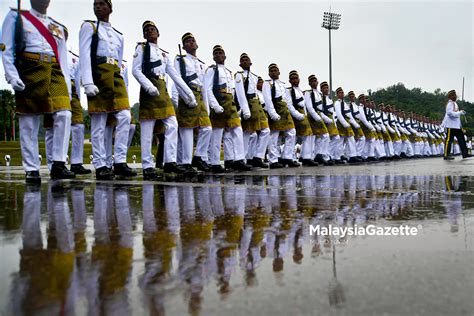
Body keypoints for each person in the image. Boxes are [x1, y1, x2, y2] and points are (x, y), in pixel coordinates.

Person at [2, 0, 74, 183]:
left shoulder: (56, 26)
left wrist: (67, 87)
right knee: (29, 120)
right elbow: (6, 48)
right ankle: (32, 168)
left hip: (55, 70)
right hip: (29, 67)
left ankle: (58, 163)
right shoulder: (16, 16)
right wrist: (11, 75)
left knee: (64, 114)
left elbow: (63, 59)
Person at [132, 20, 198, 179]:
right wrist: (148, 86)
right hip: (150, 90)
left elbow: (175, 76)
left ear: (158, 33)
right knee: (148, 130)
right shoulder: (141, 48)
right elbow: (136, 70)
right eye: (146, 30)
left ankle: (170, 162)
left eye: (152, 29)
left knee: (172, 124)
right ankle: (147, 165)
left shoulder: (164, 54)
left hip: (162, 91)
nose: (149, 31)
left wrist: (188, 93)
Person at [79, 0, 136, 180]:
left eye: (102, 4)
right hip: (99, 75)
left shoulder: (118, 35)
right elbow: (84, 54)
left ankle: (119, 161)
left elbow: (118, 61)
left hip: (115, 77)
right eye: (95, 4)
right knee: (99, 124)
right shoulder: (89, 27)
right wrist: (87, 81)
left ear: (110, 8)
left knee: (125, 116)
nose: (98, 7)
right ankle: (101, 164)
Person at [205, 45, 252, 172]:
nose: (219, 55)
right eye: (216, 53)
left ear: (225, 56)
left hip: (230, 104)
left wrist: (240, 107)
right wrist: (215, 105)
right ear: (213, 57)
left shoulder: (229, 72)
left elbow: (235, 91)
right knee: (217, 133)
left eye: (221, 53)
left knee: (237, 130)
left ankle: (239, 159)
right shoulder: (212, 70)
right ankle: (215, 162)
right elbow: (207, 89)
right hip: (219, 102)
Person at [174, 32, 213, 172]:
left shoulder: (201, 64)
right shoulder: (180, 60)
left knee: (207, 128)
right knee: (187, 130)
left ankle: (199, 156)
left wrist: (207, 107)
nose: (191, 42)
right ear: (183, 47)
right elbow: (177, 80)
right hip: (187, 95)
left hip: (200, 96)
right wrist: (186, 98)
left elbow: (204, 87)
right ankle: (186, 162)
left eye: (193, 40)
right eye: (187, 41)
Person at [234, 53, 270, 168]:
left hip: (257, 105)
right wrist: (244, 108)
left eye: (246, 59)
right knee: (247, 132)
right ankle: (242, 158)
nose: (244, 61)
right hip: (248, 104)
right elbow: (240, 92)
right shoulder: (239, 75)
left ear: (251, 62)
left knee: (265, 131)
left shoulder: (255, 76)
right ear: (240, 64)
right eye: (242, 60)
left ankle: (258, 157)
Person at [262, 63, 299, 168]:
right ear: (269, 73)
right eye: (271, 71)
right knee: (274, 135)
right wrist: (272, 113)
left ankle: (287, 157)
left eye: (275, 70)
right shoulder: (267, 84)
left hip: (285, 110)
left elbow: (287, 100)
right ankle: (273, 160)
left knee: (292, 132)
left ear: (279, 72)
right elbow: (268, 99)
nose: (273, 72)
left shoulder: (283, 85)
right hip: (276, 109)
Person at [286, 70, 317, 166]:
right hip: (295, 115)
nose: (295, 80)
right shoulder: (289, 90)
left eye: (296, 78)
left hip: (303, 115)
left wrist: (305, 115)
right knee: (293, 136)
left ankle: (305, 157)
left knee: (308, 135)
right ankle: (289, 157)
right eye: (293, 79)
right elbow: (289, 104)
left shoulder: (300, 91)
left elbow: (304, 106)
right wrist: (297, 115)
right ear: (290, 81)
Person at [442, 90, 470, 160]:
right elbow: (450, 113)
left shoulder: (455, 103)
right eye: (453, 95)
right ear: (450, 97)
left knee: (462, 139)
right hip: (450, 126)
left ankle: (465, 153)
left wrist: (461, 113)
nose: (455, 97)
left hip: (457, 126)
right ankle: (446, 155)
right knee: (449, 141)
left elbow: (457, 116)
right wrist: (459, 113)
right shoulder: (449, 104)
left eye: (455, 95)